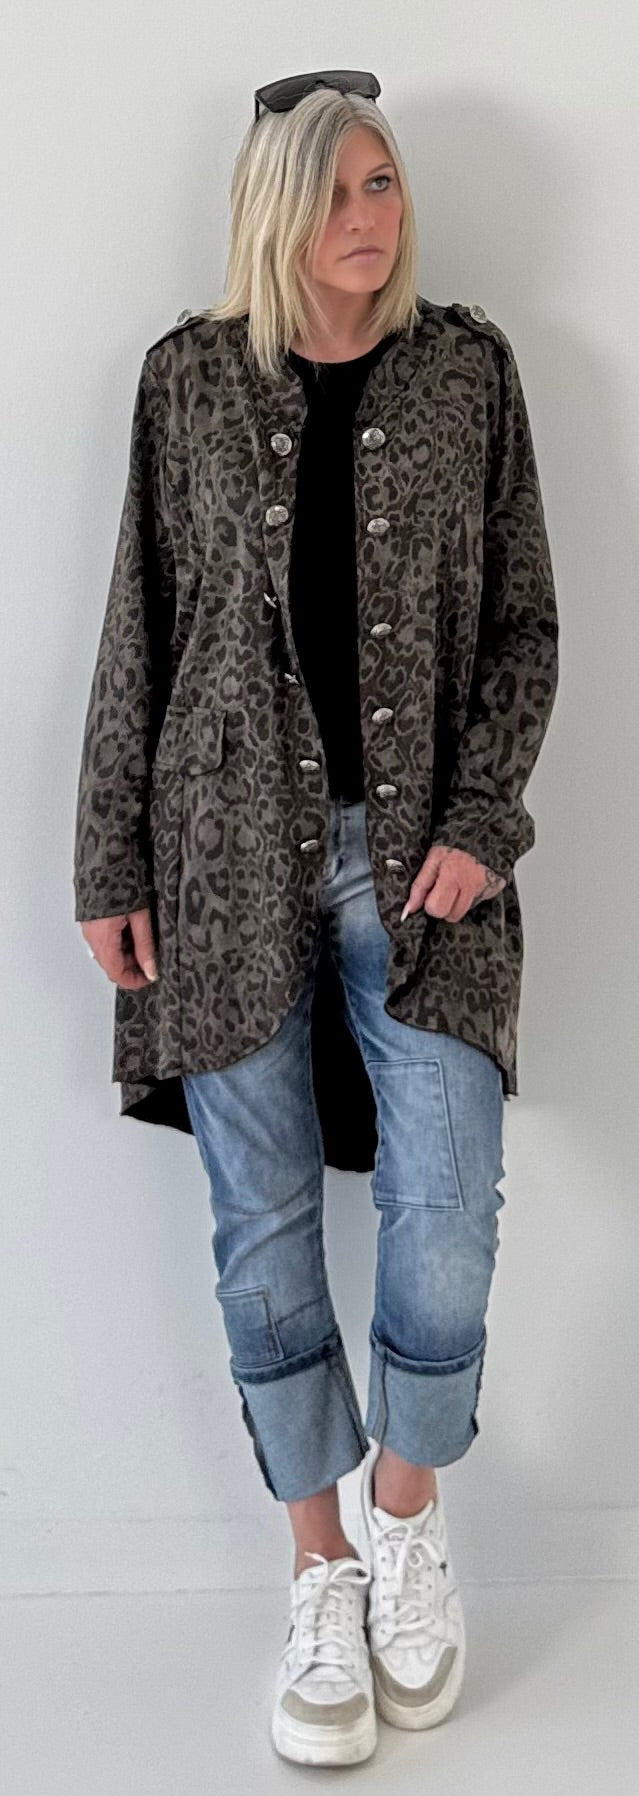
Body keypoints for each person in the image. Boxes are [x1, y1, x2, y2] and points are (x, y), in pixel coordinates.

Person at [73, 69, 559, 1768]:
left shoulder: (468, 373)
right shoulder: (188, 381)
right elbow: (139, 623)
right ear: (278, 211)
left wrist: (484, 825)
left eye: (386, 183)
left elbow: (525, 624)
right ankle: (322, 1570)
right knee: (263, 1230)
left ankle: (408, 1523)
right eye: (341, 190)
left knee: (447, 1220)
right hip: (222, 865)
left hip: (423, 874)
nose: (372, 215)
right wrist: (108, 864)